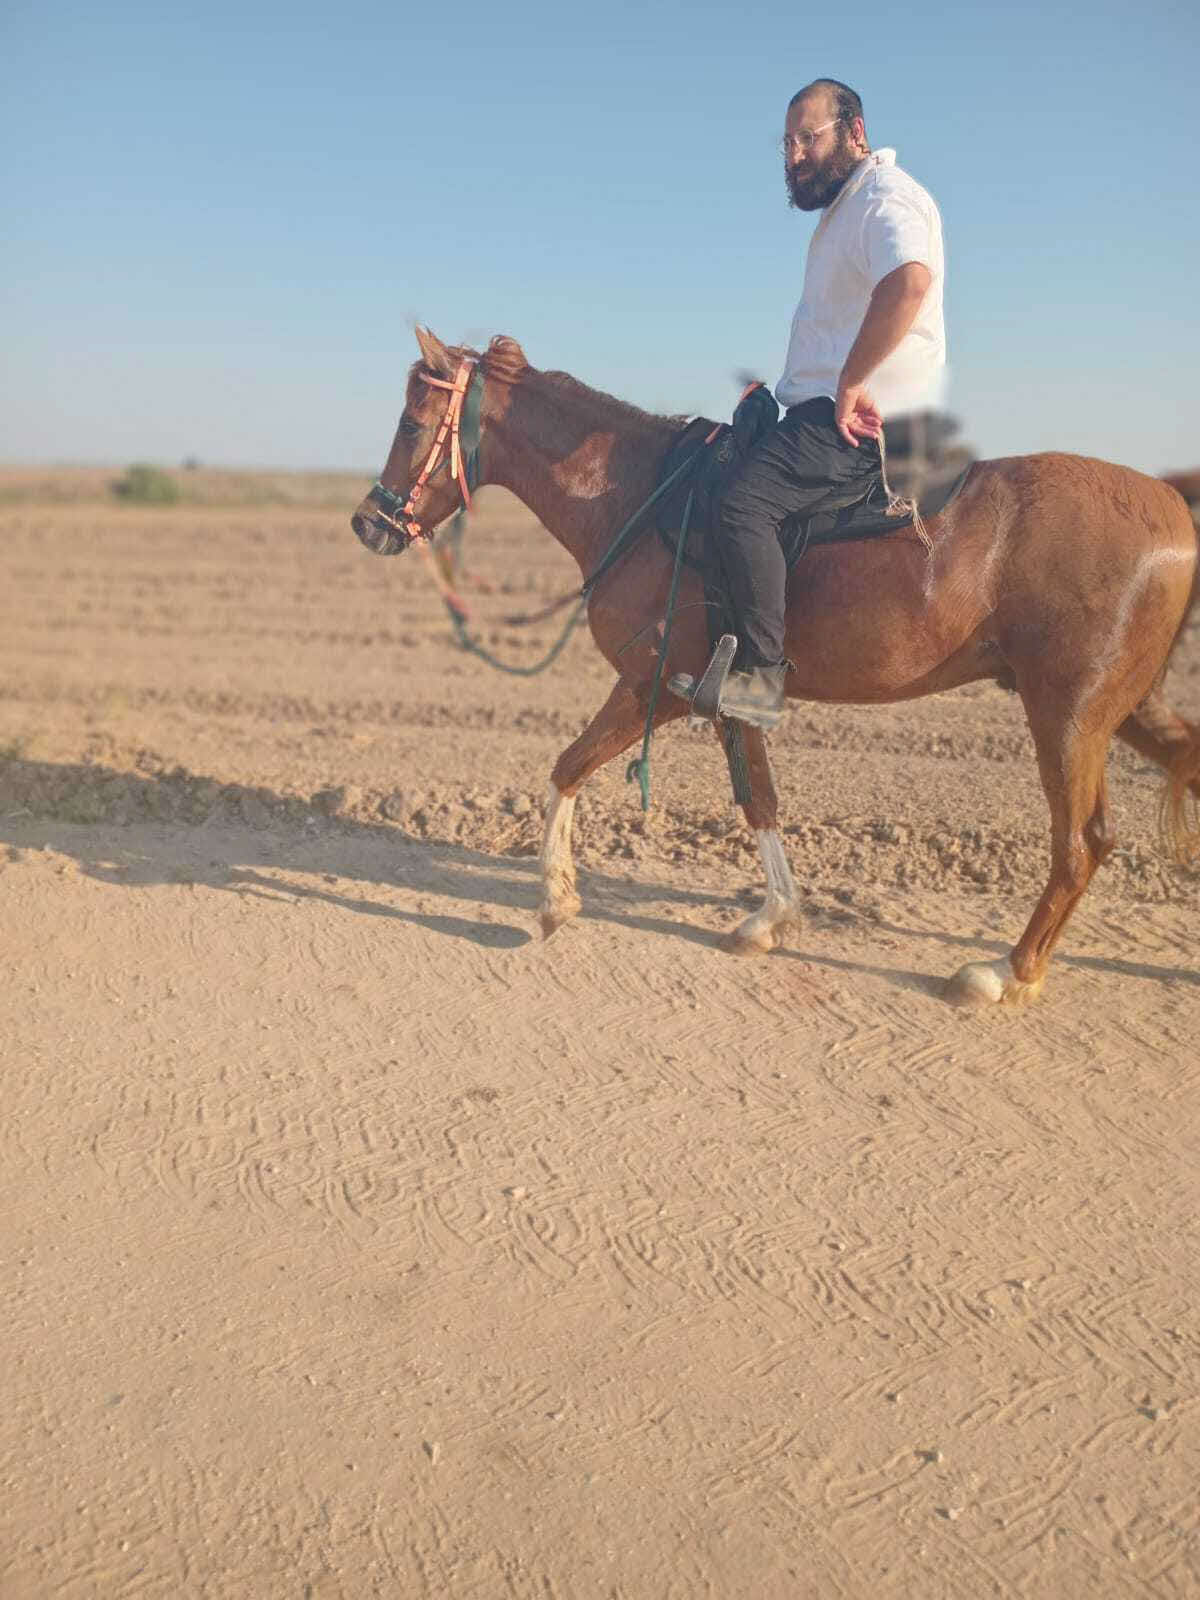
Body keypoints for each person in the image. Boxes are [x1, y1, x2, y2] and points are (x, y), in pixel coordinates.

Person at [695, 78, 946, 728]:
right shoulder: (847, 211)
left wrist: (853, 381)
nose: (794, 155)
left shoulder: (884, 199)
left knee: (743, 505)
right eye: (786, 143)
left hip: (856, 422)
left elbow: (909, 281)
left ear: (855, 133)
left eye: (809, 137)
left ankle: (760, 681)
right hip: (824, 411)